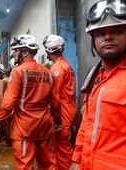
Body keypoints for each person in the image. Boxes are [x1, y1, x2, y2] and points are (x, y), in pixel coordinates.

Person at [0, 34, 62, 169]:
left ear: (25, 52)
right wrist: (58, 121)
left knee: (25, 166)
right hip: (45, 127)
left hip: (24, 130)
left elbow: (8, 101)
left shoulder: (18, 72)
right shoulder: (48, 73)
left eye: (16, 51)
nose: (14, 55)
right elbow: (56, 102)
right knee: (50, 166)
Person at [70, 0, 126, 169]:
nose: (108, 37)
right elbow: (87, 123)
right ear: (93, 40)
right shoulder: (97, 77)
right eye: (101, 33)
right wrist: (76, 159)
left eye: (117, 31)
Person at [43, 34, 77, 170]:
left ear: (49, 51)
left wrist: (57, 120)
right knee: (63, 147)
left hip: (63, 114)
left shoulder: (57, 69)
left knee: (63, 150)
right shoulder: (66, 65)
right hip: (69, 110)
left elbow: (55, 98)